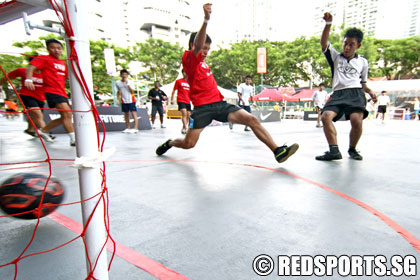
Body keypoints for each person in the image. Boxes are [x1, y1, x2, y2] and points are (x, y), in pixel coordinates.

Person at [155, 3, 298, 163]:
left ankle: (278, 151)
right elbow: (197, 45)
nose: (206, 52)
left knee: (252, 120)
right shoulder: (189, 60)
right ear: (193, 45)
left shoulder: (204, 64)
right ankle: (170, 143)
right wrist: (206, 20)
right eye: (204, 48)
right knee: (188, 144)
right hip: (202, 109)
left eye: (208, 49)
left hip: (219, 105)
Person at [316, 12, 377, 161]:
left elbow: (363, 84)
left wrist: (370, 92)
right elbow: (324, 43)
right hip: (338, 94)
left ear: (358, 46)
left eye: (351, 44)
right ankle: (334, 150)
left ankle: (352, 149)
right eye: (345, 43)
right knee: (325, 116)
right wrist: (328, 24)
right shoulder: (336, 57)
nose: (347, 47)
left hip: (355, 94)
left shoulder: (363, 62)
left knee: (357, 120)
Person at [25, 39, 75, 145]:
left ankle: (43, 130)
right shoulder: (44, 59)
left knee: (66, 116)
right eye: (53, 48)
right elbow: (31, 67)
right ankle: (73, 139)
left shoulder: (62, 63)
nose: (56, 50)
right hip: (52, 91)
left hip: (62, 92)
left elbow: (68, 78)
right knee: (67, 114)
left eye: (59, 48)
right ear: (48, 49)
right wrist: (28, 79)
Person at [0, 57, 47, 137]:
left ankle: (29, 130)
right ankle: (46, 132)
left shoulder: (46, 74)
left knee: (34, 115)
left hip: (41, 98)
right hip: (27, 96)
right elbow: (6, 77)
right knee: (37, 113)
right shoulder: (22, 71)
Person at [115, 69, 139, 133]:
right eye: (123, 74)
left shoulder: (130, 82)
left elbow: (132, 92)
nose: (124, 75)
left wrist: (128, 84)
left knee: (134, 114)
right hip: (123, 100)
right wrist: (117, 99)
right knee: (126, 114)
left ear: (127, 75)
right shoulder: (118, 82)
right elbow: (118, 91)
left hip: (131, 100)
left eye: (125, 74)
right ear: (121, 75)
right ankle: (127, 128)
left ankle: (136, 128)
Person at [170, 69, 191, 134]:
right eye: (184, 72)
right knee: (184, 113)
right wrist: (172, 99)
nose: (186, 74)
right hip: (181, 99)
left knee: (188, 115)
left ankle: (184, 127)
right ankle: (186, 128)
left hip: (188, 100)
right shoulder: (179, 81)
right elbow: (174, 90)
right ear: (182, 73)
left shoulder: (190, 82)